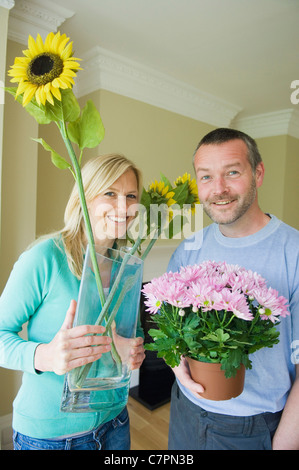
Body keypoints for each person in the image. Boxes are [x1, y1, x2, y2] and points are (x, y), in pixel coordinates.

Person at [0, 153, 145, 450]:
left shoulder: (127, 266)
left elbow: (134, 334)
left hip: (115, 422)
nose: (124, 206)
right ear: (84, 197)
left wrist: (133, 350)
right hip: (51, 436)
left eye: (131, 195)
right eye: (110, 193)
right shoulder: (45, 258)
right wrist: (47, 356)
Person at [167, 128, 299, 450]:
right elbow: (169, 325)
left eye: (232, 172)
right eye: (206, 177)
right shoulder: (188, 250)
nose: (219, 189)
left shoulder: (293, 251)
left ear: (258, 173)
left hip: (253, 427)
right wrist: (177, 367)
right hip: (185, 410)